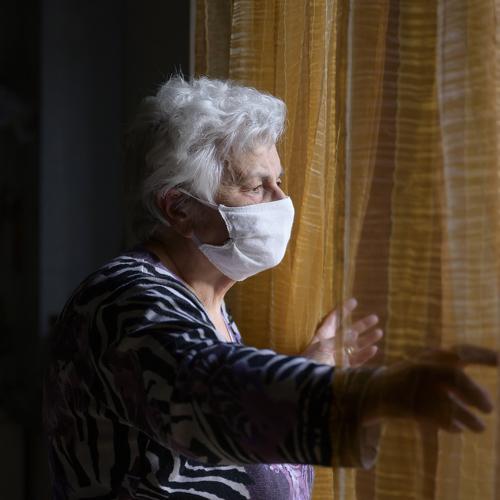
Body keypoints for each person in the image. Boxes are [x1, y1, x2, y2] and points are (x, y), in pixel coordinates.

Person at [43, 77, 496, 500]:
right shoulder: (124, 299)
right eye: (255, 187)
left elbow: (245, 444)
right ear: (179, 209)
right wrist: (374, 393)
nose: (282, 201)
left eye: (278, 181)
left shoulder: (208, 306)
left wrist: (312, 368)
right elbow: (199, 395)